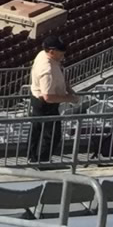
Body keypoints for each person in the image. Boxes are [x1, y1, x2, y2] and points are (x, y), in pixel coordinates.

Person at [27, 36, 74, 164]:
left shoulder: (43, 54)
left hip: (37, 98)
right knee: (52, 134)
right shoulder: (46, 70)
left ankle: (32, 157)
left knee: (37, 130)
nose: (63, 55)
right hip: (45, 104)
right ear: (52, 51)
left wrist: (66, 87)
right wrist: (69, 98)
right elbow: (48, 96)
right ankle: (42, 161)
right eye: (61, 53)